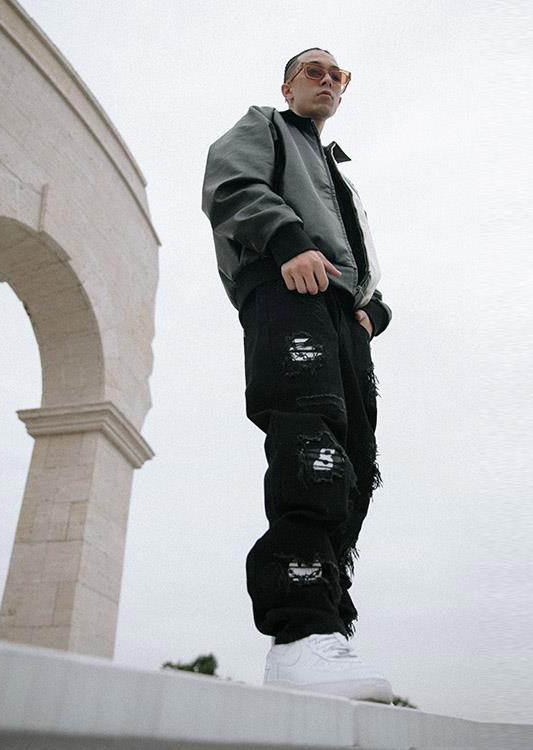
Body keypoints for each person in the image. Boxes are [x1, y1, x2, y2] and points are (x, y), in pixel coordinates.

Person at [202, 48, 393, 703]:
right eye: (315, 70)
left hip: (343, 313)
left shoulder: (338, 172)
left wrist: (372, 309)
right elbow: (230, 186)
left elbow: (357, 255)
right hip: (287, 286)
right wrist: (287, 242)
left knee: (356, 462)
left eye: (339, 75)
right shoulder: (265, 125)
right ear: (287, 86)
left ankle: (328, 629)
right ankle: (298, 633)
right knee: (312, 445)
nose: (329, 80)